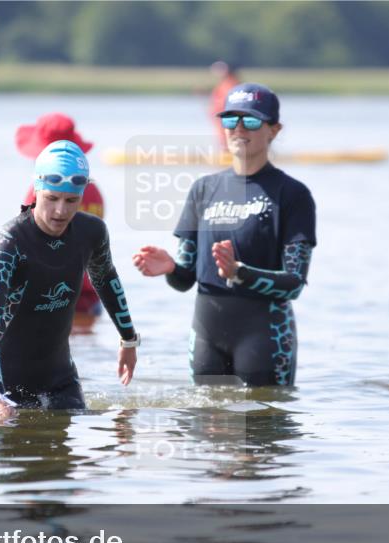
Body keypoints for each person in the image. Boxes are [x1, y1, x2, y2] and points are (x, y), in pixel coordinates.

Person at [133, 83, 315, 387]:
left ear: (274, 129)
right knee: (206, 428)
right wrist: (170, 268)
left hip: (265, 337)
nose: (238, 129)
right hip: (207, 335)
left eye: (251, 121)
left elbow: (294, 283)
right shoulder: (203, 190)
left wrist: (240, 273)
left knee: (261, 429)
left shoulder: (292, 195)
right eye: (230, 120)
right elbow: (185, 279)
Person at [0, 140, 140, 418]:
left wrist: (128, 340)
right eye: (52, 198)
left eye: (71, 200)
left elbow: (106, 279)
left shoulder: (91, 232)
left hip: (58, 378)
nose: (60, 211)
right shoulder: (9, 242)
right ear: (37, 190)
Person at [16, 113, 104, 330]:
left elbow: (29, 248)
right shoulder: (91, 190)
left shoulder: (38, 195)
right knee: (82, 350)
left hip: (50, 297)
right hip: (88, 297)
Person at [209, 61, 240, 150]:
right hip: (222, 116)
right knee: (224, 138)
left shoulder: (230, 83)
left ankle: (228, 154)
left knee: (227, 137)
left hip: (226, 116)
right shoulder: (226, 83)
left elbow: (228, 100)